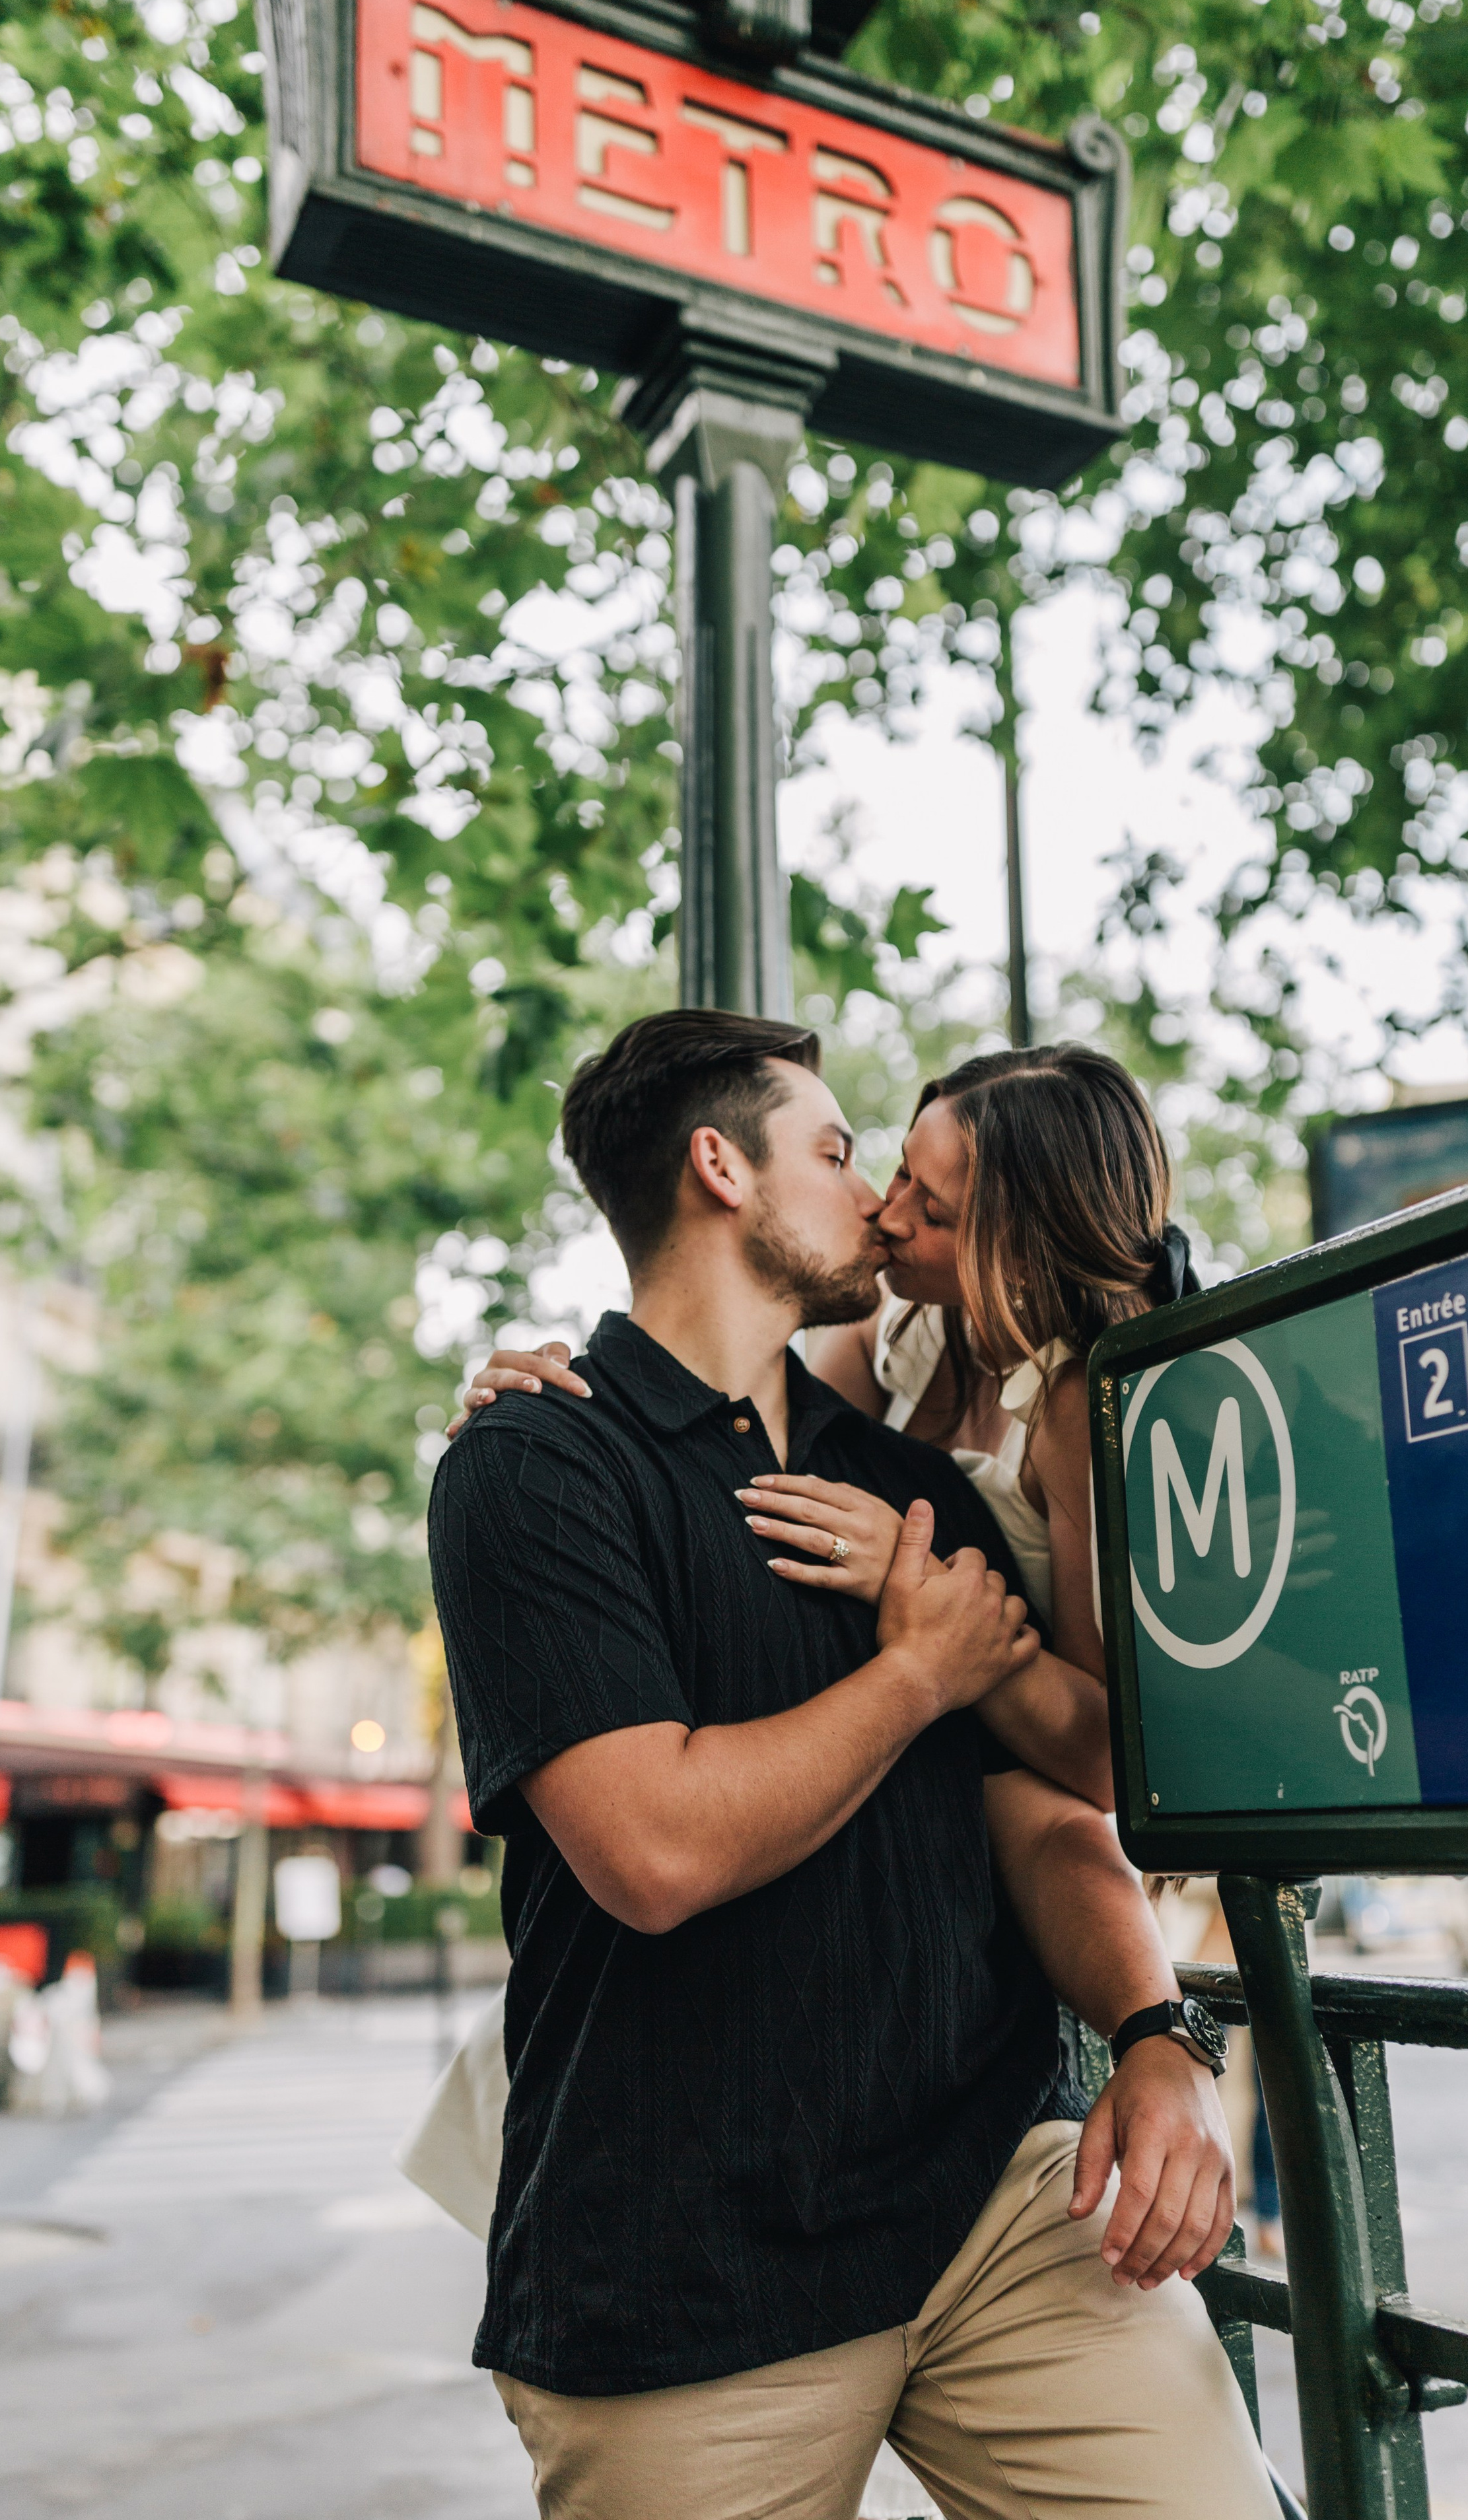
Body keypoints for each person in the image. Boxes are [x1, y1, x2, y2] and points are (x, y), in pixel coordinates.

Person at [427, 1006, 1275, 2520]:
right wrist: (917, 1672)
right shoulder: (537, 1457)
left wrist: (1155, 2027)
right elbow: (655, 1851)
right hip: (685, 2247)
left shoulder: (907, 1469)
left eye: (918, 1190)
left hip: (995, 2194)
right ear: (718, 1169)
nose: (879, 1201)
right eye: (840, 1150)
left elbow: (1041, 1798)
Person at [457, 1042, 1191, 1810]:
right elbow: (728, 1402)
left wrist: (918, 1593)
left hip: (1044, 1788)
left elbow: (1114, 1764)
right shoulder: (899, 1334)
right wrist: (551, 1401)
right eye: (899, 1167)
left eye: (934, 1212)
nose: (888, 1210)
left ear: (1020, 1257)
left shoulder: (1077, 1402)